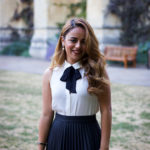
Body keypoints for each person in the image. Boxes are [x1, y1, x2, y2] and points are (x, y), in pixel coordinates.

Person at [37, 18, 112, 150]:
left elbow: (106, 111)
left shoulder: (98, 72)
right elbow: (46, 114)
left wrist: (104, 147)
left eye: (83, 42)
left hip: (88, 136)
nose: (78, 46)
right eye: (73, 40)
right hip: (58, 136)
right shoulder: (49, 74)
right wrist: (41, 146)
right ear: (63, 40)